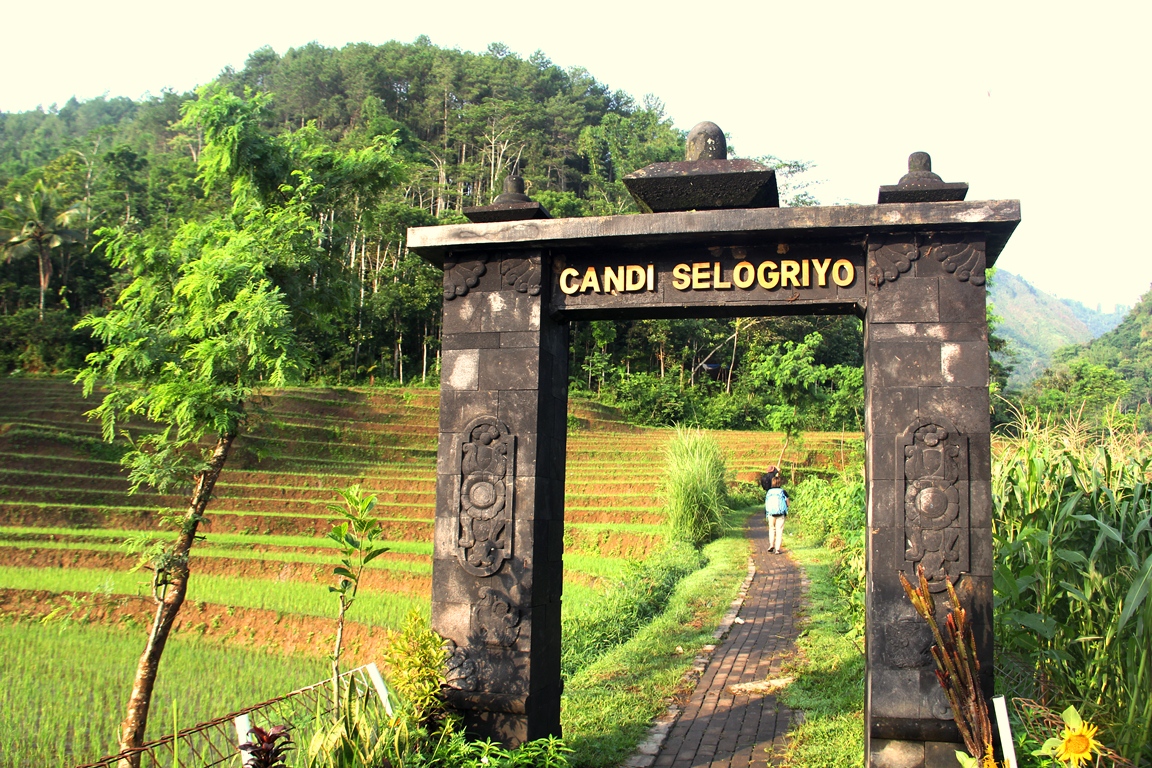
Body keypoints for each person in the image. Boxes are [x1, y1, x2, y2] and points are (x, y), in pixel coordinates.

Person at [764, 473, 788, 555]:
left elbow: (766, 502)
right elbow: (787, 502)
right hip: (781, 513)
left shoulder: (769, 492)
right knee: (779, 531)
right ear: (780, 483)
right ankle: (777, 549)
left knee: (771, 529)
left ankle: (771, 545)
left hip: (771, 513)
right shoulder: (783, 491)